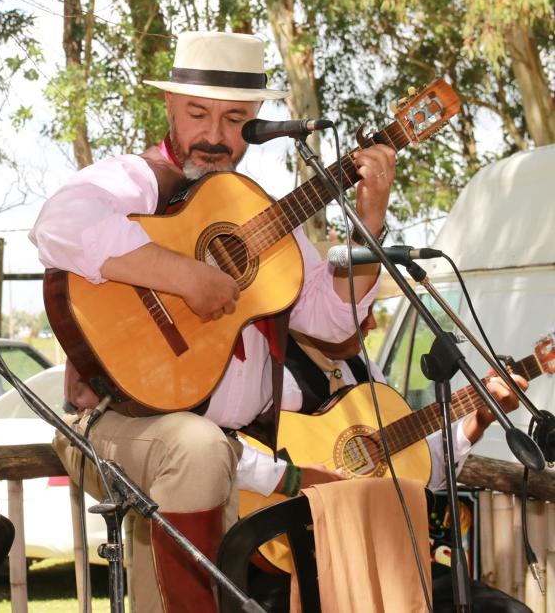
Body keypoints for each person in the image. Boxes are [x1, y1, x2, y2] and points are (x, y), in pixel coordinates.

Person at [30, 30, 397, 613]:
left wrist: (368, 224)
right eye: (198, 113)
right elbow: (58, 224)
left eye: (235, 120)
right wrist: (186, 277)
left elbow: (333, 321)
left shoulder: (263, 217)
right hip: (115, 421)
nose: (214, 135)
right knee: (198, 449)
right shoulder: (134, 180)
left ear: (257, 121)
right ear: (170, 108)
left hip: (235, 446)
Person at [239, 310, 528, 613]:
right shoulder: (265, 365)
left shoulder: (364, 371)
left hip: (376, 561)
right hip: (291, 565)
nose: (372, 323)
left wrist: (478, 420)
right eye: (359, 312)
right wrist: (296, 477)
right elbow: (226, 451)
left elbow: (421, 470)